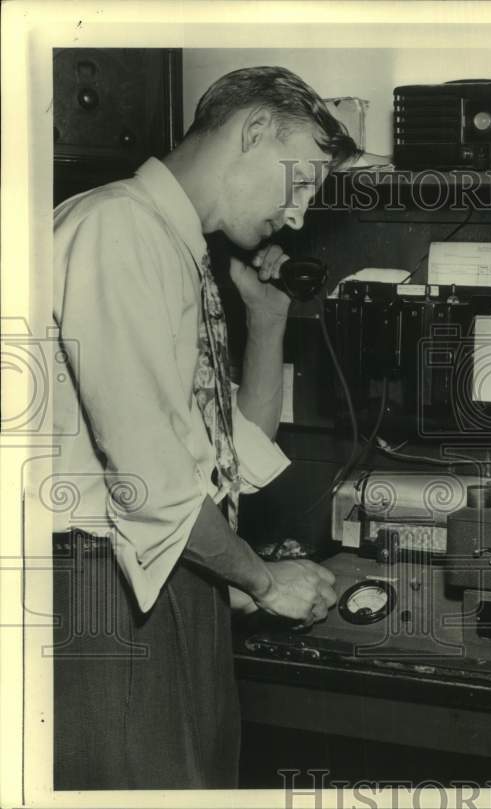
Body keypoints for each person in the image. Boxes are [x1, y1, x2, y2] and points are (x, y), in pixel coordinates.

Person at [50, 66, 357, 789]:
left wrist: (266, 319)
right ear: (253, 131)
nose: (301, 215)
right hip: (104, 596)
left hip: (174, 582)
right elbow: (151, 482)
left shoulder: (174, 243)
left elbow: (229, 461)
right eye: (303, 179)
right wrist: (262, 578)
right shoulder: (116, 228)